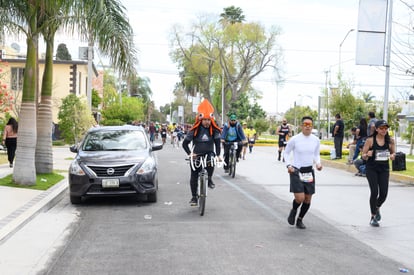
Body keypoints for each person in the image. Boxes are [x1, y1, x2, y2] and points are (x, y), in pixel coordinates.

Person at [284, 116, 322, 229]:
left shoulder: (315, 140)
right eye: (305, 124)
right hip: (296, 170)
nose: (307, 127)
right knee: (300, 198)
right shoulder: (295, 139)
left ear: (312, 126)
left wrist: (318, 163)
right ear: (301, 126)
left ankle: (300, 219)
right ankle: (294, 209)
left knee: (307, 199)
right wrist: (289, 165)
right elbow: (286, 153)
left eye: (309, 125)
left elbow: (316, 154)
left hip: (308, 171)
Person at [182, 99, 222, 206]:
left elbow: (218, 143)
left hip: (209, 154)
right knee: (194, 175)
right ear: (200, 120)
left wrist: (218, 155)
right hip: (196, 156)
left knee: (211, 161)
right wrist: (190, 154)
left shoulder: (214, 130)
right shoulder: (194, 130)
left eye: (208, 120)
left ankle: (209, 180)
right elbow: (184, 144)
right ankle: (194, 197)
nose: (207, 122)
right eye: (204, 120)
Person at [361, 119, 396, 227]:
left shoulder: (390, 141)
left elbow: (393, 153)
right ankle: (373, 216)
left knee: (384, 194)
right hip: (372, 168)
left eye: (385, 128)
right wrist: (367, 154)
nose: (384, 130)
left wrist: (392, 156)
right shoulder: (370, 140)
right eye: (381, 128)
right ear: (376, 129)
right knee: (374, 192)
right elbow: (363, 155)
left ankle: (377, 207)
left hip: (384, 169)